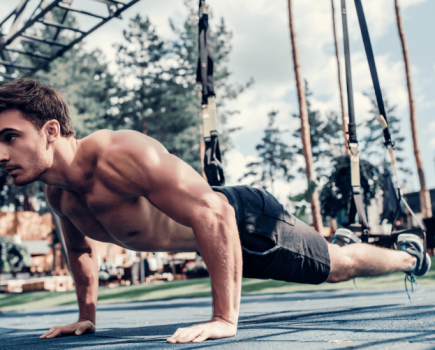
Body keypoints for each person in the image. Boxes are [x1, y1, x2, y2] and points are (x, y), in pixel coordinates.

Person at [0, 78, 429, 344]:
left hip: (244, 221)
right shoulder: (59, 195)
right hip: (215, 242)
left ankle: (412, 254)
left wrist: (224, 319)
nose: (1, 153)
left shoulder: (119, 154)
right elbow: (82, 253)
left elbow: (215, 212)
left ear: (50, 131)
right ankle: (341, 244)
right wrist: (86, 318)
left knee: (338, 267)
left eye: (9, 137)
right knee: (334, 258)